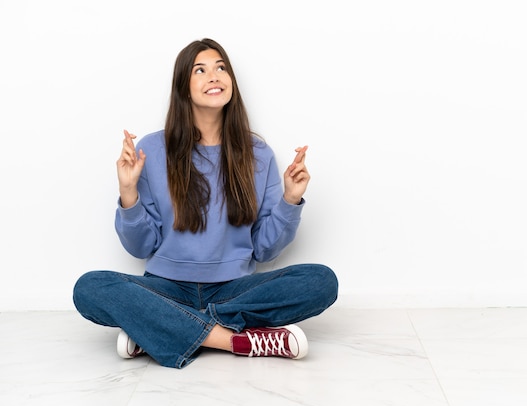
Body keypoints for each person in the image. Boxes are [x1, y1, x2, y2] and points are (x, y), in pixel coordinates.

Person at [72, 38, 339, 369]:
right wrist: (128, 191)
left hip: (234, 290)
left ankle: (160, 328)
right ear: (183, 88)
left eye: (221, 68)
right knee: (90, 288)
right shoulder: (152, 151)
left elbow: (264, 251)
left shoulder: (258, 154)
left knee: (320, 281)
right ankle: (233, 340)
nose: (214, 76)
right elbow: (141, 248)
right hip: (166, 287)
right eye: (200, 70)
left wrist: (290, 200)